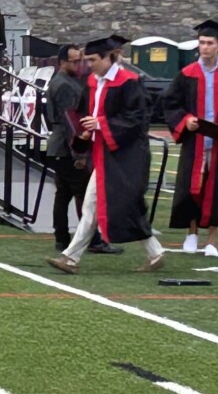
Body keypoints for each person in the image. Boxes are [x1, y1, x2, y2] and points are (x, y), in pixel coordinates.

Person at [49, 35, 165, 274]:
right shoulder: (92, 82)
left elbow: (137, 120)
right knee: (94, 205)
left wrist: (100, 124)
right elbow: (82, 113)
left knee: (124, 204)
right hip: (103, 153)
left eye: (92, 59)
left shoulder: (129, 82)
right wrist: (82, 133)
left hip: (126, 155)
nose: (88, 65)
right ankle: (72, 257)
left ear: (108, 57)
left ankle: (71, 257)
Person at [161, 20, 218, 257]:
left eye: (210, 43)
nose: (205, 47)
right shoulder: (187, 74)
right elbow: (171, 103)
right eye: (201, 43)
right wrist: (185, 120)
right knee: (192, 190)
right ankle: (191, 234)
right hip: (195, 142)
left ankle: (212, 240)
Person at [44, 43, 111, 256]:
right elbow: (70, 122)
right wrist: (80, 153)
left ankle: (62, 238)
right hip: (66, 146)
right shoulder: (64, 85)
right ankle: (91, 240)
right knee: (84, 194)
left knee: (63, 194)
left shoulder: (63, 81)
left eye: (80, 60)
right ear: (62, 62)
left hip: (59, 145)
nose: (80, 64)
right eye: (75, 61)